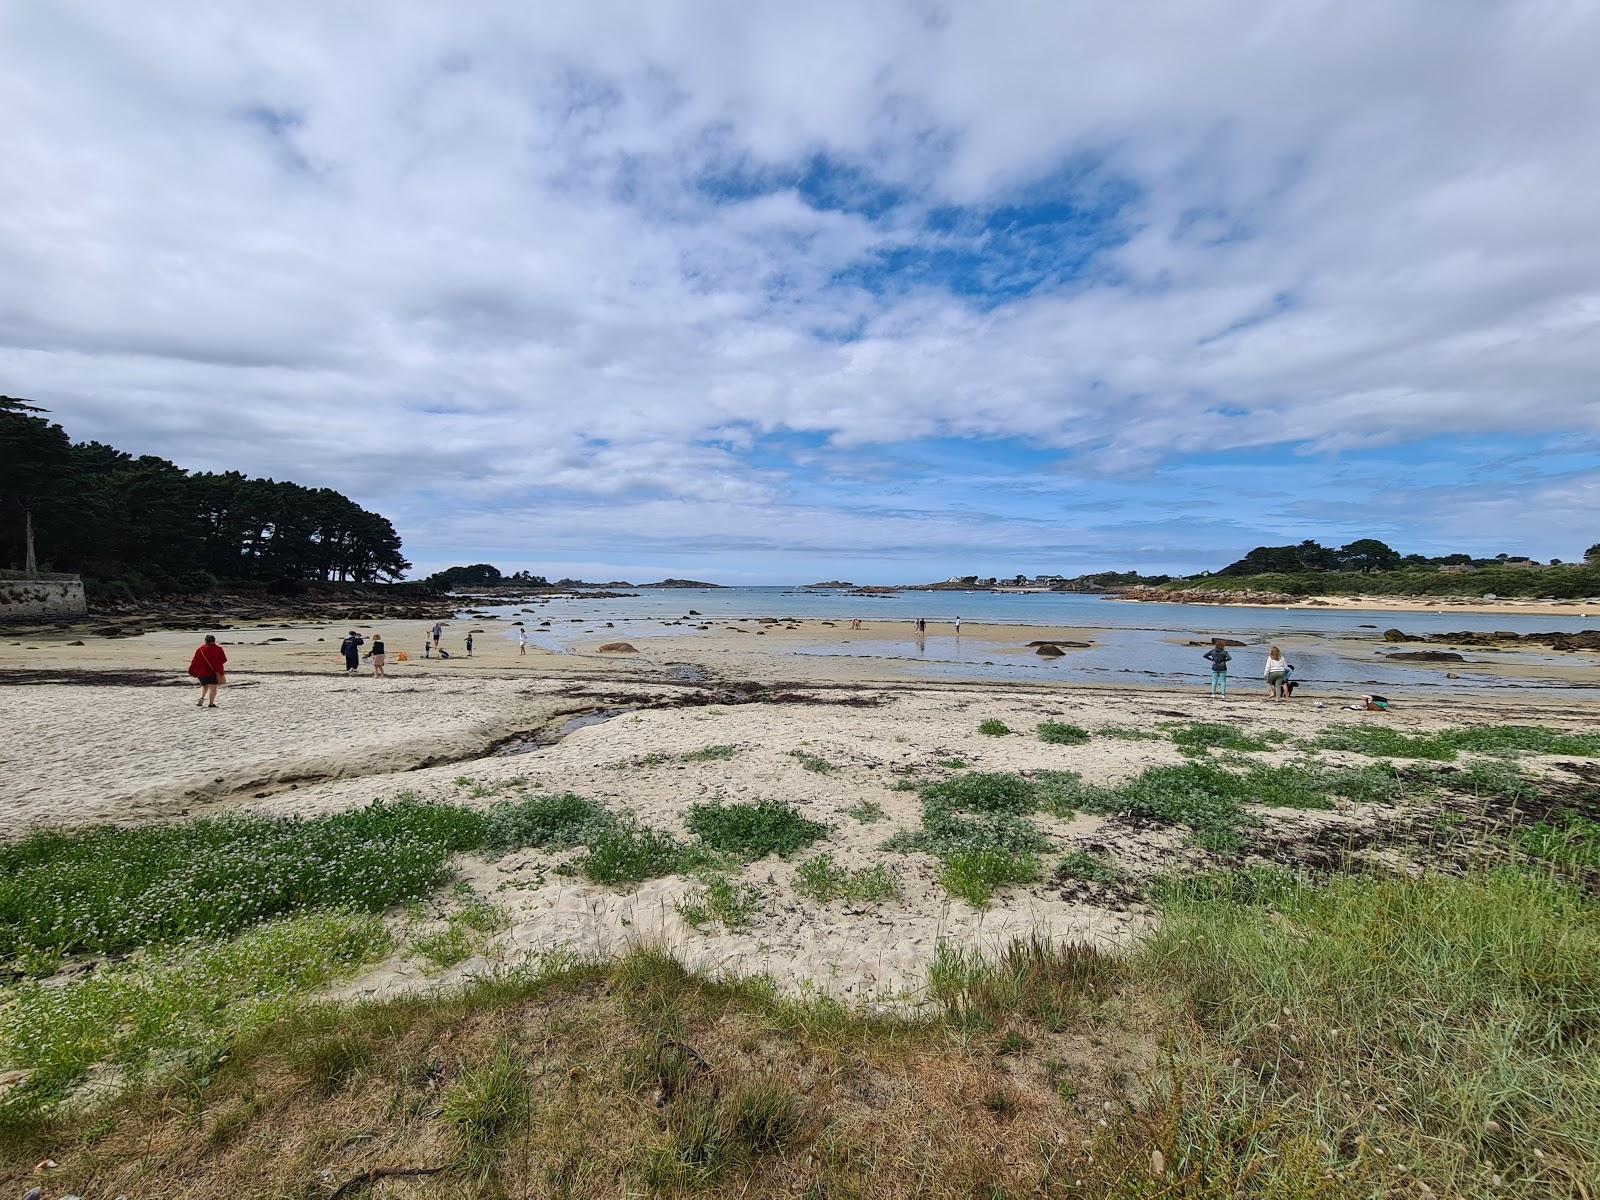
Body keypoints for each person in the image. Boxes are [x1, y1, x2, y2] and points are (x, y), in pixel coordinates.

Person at [188, 634, 227, 708]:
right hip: (212, 672)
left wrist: (192, 670)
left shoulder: (200, 649)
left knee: (205, 686)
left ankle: (202, 698)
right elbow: (224, 660)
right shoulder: (218, 649)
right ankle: (211, 703)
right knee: (213, 687)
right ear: (214, 640)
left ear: (206, 641)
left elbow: (195, 661)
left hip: (201, 672)